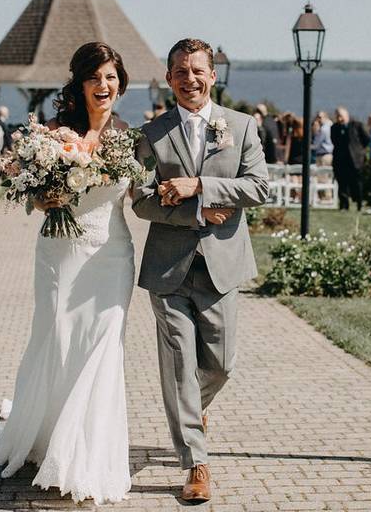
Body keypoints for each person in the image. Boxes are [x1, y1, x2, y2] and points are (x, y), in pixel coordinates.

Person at [0, 42, 135, 505]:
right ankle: (46, 434)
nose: (103, 85)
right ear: (80, 83)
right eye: (95, 77)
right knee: (54, 335)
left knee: (101, 345)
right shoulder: (52, 133)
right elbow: (17, 180)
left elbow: (140, 195)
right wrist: (40, 198)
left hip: (111, 254)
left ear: (120, 83)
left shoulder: (127, 136)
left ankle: (88, 452)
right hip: (60, 251)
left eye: (111, 77)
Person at [132, 38, 269, 503]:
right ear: (168, 78)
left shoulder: (242, 126)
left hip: (222, 268)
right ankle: (195, 463)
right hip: (168, 270)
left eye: (197, 70)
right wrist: (193, 212)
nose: (189, 79)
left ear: (212, 76)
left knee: (221, 365)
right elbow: (141, 199)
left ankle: (191, 413)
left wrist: (200, 187)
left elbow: (259, 188)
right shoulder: (150, 134)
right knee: (178, 368)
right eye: (179, 71)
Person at [331, 106, 370, 211]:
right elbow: (334, 141)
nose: (340, 119)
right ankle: (344, 205)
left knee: (357, 183)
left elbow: (366, 139)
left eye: (341, 116)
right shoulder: (334, 128)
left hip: (355, 160)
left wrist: (359, 151)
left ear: (346, 116)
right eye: (337, 117)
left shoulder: (357, 125)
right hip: (340, 160)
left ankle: (359, 204)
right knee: (342, 183)